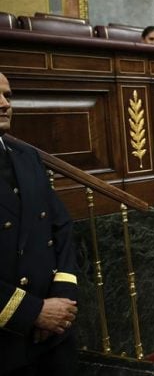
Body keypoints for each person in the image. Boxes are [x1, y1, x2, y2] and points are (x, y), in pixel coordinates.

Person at [0, 73, 79, 375]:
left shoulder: (27, 156)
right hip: (6, 343)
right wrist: (33, 312)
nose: (5, 104)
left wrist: (62, 299)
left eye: (8, 96)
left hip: (53, 336)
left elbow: (61, 227)